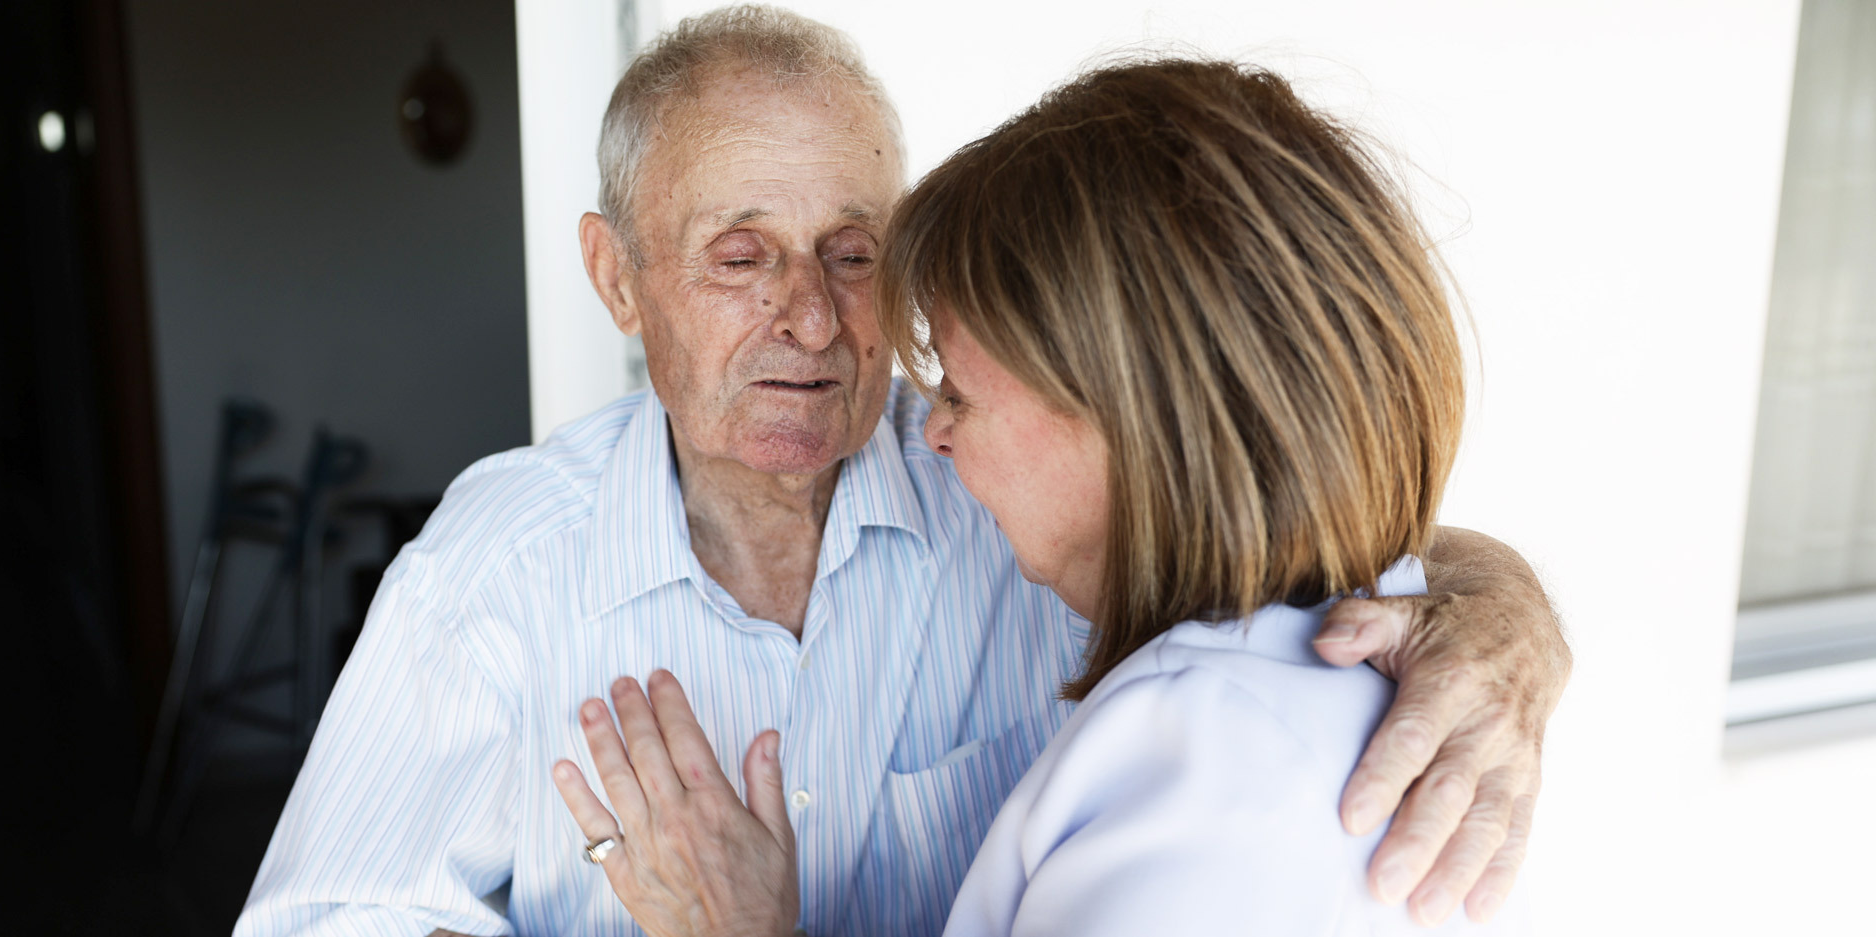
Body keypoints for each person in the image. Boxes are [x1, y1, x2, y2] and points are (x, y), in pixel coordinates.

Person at [236, 8, 1568, 937]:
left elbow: (1278, 517)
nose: (813, 318)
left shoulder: (1022, 481)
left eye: (854, 253)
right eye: (740, 257)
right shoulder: (496, 564)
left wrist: (1503, 615)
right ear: (617, 278)